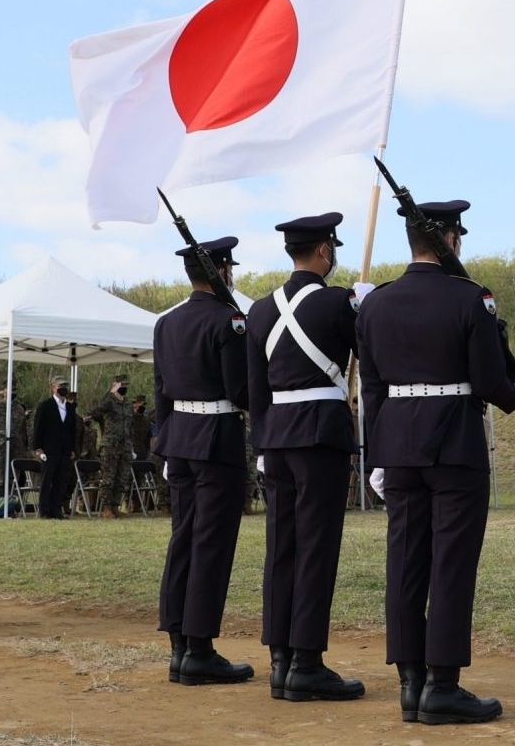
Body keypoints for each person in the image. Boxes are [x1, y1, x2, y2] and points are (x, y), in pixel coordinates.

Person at [357, 199, 515, 725]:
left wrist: (377, 449)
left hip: (397, 445)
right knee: (451, 564)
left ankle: (411, 684)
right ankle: (443, 685)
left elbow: (371, 388)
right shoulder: (471, 298)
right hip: (454, 444)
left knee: (405, 565)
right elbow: (487, 381)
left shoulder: (376, 304)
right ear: (450, 240)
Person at [245, 211, 370, 701]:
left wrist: (260, 444)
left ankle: (279, 659)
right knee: (316, 548)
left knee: (282, 547)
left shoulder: (258, 311)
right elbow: (371, 355)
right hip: (320, 434)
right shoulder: (339, 304)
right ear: (324, 251)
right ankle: (307, 663)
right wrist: (363, 307)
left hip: (276, 437)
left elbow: (256, 389)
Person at [154, 235, 253, 685]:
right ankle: (200, 648)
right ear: (223, 271)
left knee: (184, 539)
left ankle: (179, 644)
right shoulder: (228, 321)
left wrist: (164, 445)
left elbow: (160, 392)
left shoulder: (167, 323)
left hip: (179, 438)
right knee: (211, 544)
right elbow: (240, 391)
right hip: (216, 440)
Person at [30, 376, 80, 519]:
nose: (64, 388)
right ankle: (44, 511)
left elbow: (72, 430)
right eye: (60, 385)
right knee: (47, 481)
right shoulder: (45, 406)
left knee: (61, 482)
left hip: (64, 451)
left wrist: (72, 449)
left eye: (66, 385)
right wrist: (38, 448)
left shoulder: (70, 408)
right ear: (53, 387)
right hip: (49, 450)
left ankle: (56, 510)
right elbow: (38, 428)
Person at [89, 374, 135, 518]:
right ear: (115, 385)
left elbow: (130, 425)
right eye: (122, 385)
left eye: (126, 385)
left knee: (122, 478)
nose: (124, 388)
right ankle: (106, 507)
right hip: (110, 445)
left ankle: (115, 506)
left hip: (125, 445)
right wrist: (110, 393)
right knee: (108, 478)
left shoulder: (128, 404)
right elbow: (95, 413)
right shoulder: (109, 401)